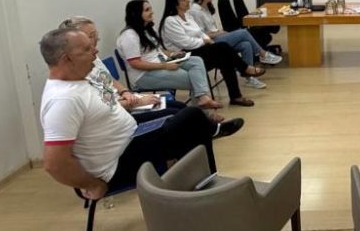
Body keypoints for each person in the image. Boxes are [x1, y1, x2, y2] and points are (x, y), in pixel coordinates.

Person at [39, 28, 243, 201]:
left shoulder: (79, 80)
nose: (95, 50)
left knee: (186, 118)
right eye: (86, 49)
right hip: (117, 162)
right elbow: (54, 164)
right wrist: (92, 185)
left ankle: (199, 189)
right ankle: (205, 192)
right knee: (192, 119)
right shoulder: (63, 100)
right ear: (66, 59)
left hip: (130, 136)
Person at [58, 15, 187, 124]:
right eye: (92, 35)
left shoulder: (93, 57)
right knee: (180, 116)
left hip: (126, 103)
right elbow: (103, 109)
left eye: (96, 34)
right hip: (120, 116)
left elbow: (109, 79)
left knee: (181, 108)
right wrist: (137, 102)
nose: (97, 39)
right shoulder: (75, 76)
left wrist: (125, 92)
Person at [114, 0, 226, 111]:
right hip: (143, 76)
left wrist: (172, 54)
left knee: (196, 60)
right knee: (195, 79)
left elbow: (158, 50)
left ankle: (203, 101)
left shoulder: (147, 29)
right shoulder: (129, 35)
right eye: (147, 10)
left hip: (163, 63)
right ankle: (205, 114)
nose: (152, 12)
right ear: (136, 14)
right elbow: (135, 63)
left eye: (151, 9)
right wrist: (164, 66)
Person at [159, 0, 261, 105]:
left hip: (198, 50)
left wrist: (206, 40)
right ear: (175, 3)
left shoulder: (187, 16)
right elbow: (185, 43)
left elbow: (200, 32)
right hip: (184, 57)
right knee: (223, 48)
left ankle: (236, 95)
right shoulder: (170, 21)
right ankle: (244, 70)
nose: (188, 1)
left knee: (225, 55)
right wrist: (205, 41)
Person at [189, 0, 282, 68]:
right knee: (243, 32)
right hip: (210, 43)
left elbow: (212, 28)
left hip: (217, 37)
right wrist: (219, 33)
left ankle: (249, 75)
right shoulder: (196, 11)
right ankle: (263, 54)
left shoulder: (205, 8)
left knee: (246, 44)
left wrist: (220, 32)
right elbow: (202, 35)